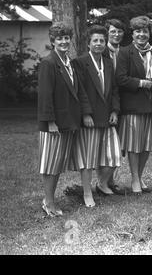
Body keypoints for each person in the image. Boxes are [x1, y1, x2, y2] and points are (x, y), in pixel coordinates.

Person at [37, 22, 92, 216]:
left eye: (66, 38)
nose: (63, 41)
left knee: (57, 163)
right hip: (55, 123)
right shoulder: (49, 63)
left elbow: (79, 90)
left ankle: (48, 199)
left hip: (69, 121)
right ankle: (49, 203)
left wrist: (85, 113)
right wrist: (50, 122)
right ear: (53, 41)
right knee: (51, 164)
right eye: (59, 38)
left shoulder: (69, 62)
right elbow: (45, 94)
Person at [71, 25, 121, 207]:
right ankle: (87, 193)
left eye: (101, 40)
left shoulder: (108, 62)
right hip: (90, 119)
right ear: (88, 43)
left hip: (108, 117)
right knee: (89, 159)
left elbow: (115, 89)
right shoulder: (80, 62)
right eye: (95, 41)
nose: (99, 44)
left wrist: (115, 110)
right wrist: (86, 114)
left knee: (114, 155)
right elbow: (80, 91)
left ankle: (102, 183)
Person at [116, 16, 152, 194]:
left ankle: (140, 176)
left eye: (145, 31)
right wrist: (142, 83)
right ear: (132, 33)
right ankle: (134, 178)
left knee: (147, 144)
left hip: (151, 106)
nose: (141, 34)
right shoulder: (125, 52)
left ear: (149, 33)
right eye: (138, 31)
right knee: (134, 145)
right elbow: (120, 78)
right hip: (133, 105)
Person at [101, 18, 126, 195]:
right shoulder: (101, 52)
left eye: (119, 31)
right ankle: (103, 181)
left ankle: (110, 180)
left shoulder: (125, 52)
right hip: (105, 103)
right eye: (112, 32)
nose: (116, 34)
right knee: (106, 145)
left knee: (119, 143)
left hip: (124, 102)